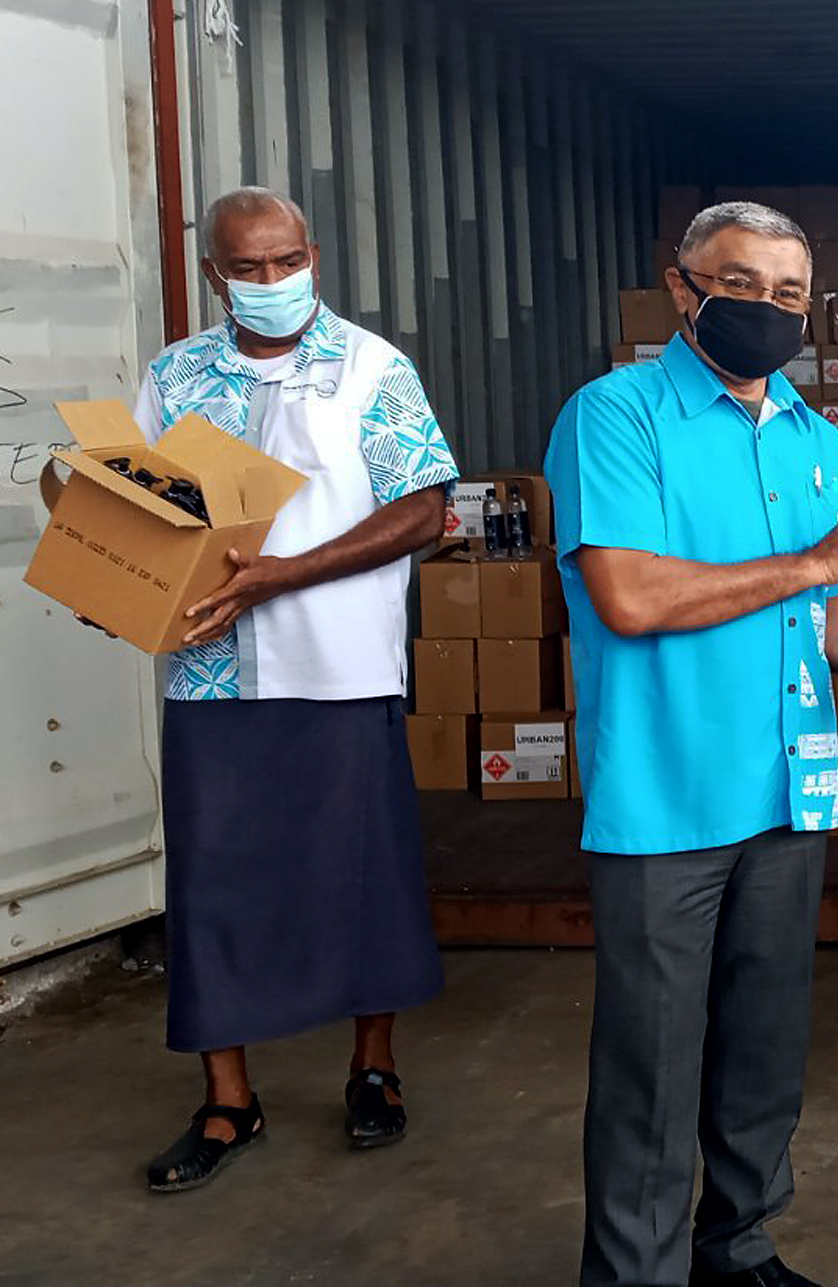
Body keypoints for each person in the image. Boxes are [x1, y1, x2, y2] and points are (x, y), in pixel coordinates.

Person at [543, 201, 838, 1287]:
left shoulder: (813, 438)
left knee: (763, 1047)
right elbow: (631, 596)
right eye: (740, 285)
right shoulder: (615, 416)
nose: (766, 309)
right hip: (668, 798)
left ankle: (737, 1246)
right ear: (681, 288)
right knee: (652, 1062)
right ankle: (636, 1273)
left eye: (788, 294)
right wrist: (819, 563)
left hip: (788, 790)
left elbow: (822, 613)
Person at [107, 187, 458, 1191]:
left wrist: (283, 575)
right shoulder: (176, 376)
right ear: (212, 272)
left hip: (340, 665)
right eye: (247, 268)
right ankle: (228, 1099)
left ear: (312, 255)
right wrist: (116, 581)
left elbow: (423, 510)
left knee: (362, 871)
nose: (271, 281)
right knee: (213, 881)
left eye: (286, 261)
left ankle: (373, 1067)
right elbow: (139, 514)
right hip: (211, 676)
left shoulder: (370, 369)